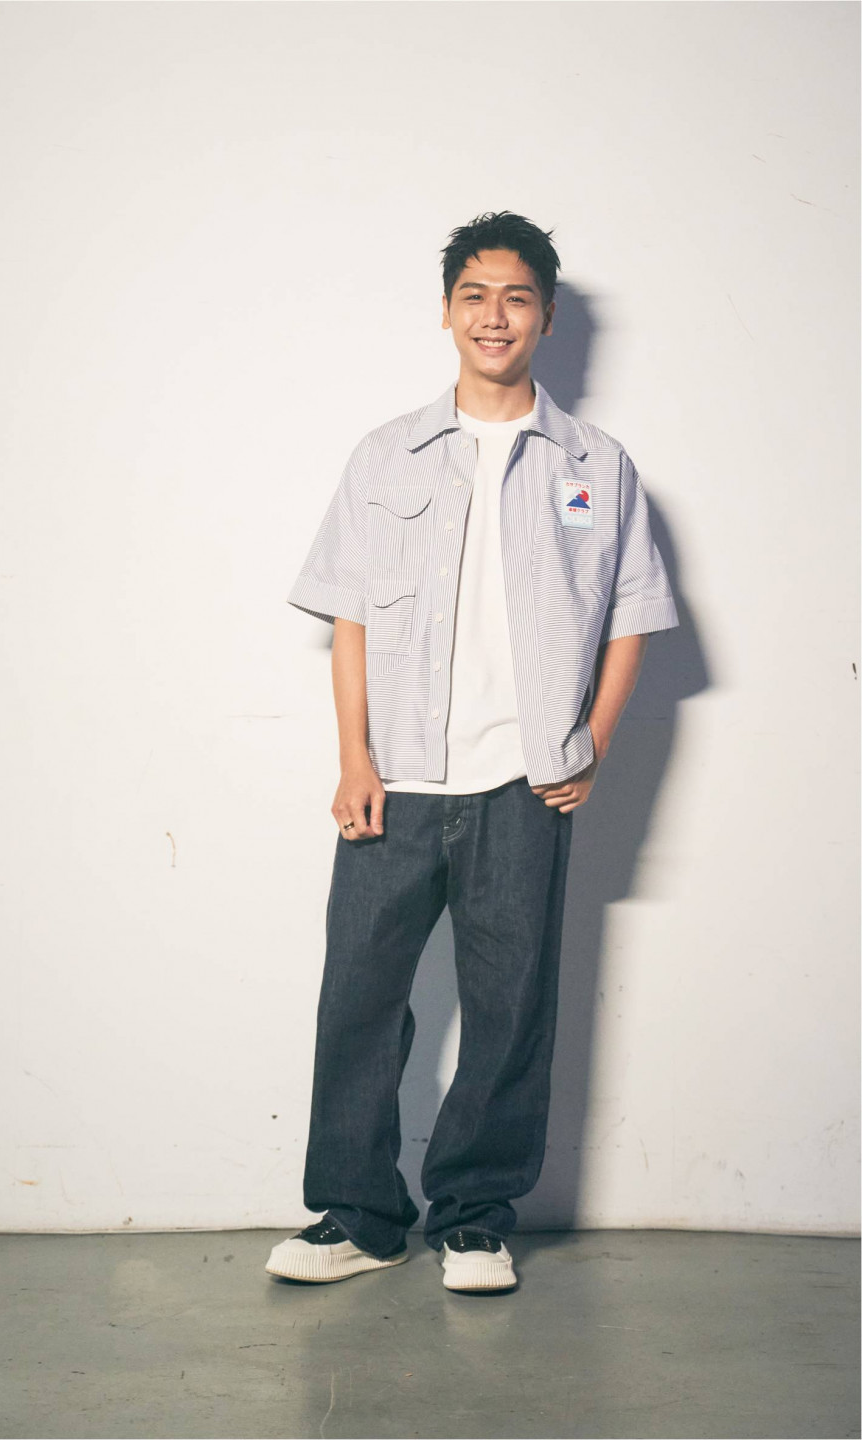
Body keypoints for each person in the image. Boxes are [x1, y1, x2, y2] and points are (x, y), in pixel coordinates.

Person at [266, 210, 679, 1293]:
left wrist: (591, 740)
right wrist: (354, 759)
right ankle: (358, 1217)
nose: (495, 316)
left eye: (517, 297)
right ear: (448, 312)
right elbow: (349, 616)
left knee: (510, 1008)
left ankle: (475, 1220)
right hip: (396, 778)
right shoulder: (387, 454)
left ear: (545, 316)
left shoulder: (594, 464)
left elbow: (631, 613)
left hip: (522, 783)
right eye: (475, 296)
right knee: (359, 999)